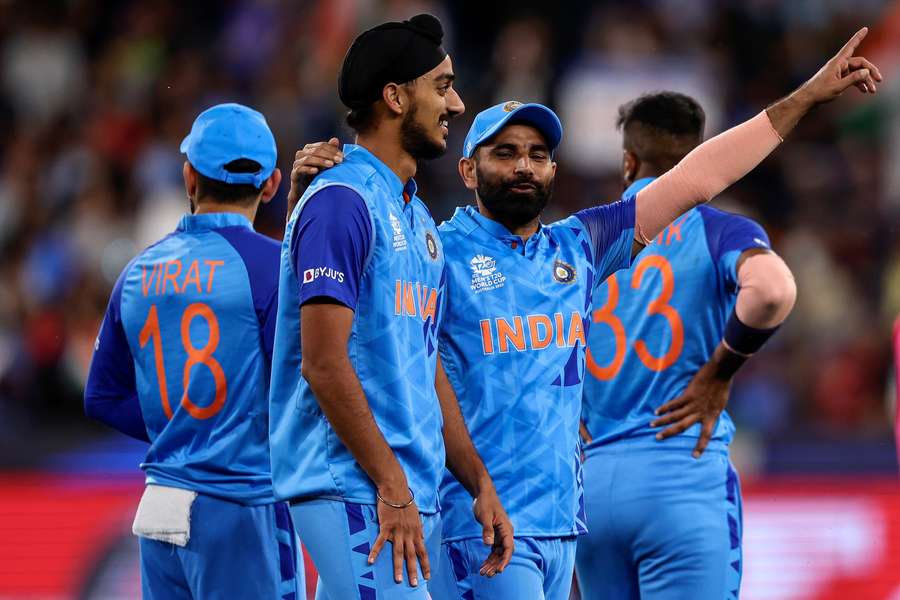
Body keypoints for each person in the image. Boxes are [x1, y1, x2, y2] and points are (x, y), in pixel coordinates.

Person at [293, 27, 881, 600]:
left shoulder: (578, 246)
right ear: (469, 171)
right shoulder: (434, 248)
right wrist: (315, 194)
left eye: (538, 155)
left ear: (555, 171)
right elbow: (340, 314)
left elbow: (700, 178)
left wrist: (805, 97)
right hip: (474, 521)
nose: (525, 166)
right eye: (505, 153)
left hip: (562, 523)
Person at [268, 14, 513, 599]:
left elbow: (423, 359)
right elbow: (323, 362)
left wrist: (477, 479)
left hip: (398, 484)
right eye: (442, 85)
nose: (455, 104)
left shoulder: (416, 217)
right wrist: (391, 485)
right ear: (396, 97)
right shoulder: (342, 202)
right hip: (353, 483)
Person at [575, 91, 797, 599]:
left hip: (591, 489)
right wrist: (721, 369)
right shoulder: (719, 231)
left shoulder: (580, 241)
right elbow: (773, 289)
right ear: (704, 159)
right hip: (681, 474)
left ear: (628, 162)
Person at [84, 103, 302, 599]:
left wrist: (179, 429)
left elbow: (101, 396)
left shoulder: (138, 271)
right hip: (241, 502)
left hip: (160, 503)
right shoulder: (276, 267)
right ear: (270, 184)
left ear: (188, 176)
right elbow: (297, 391)